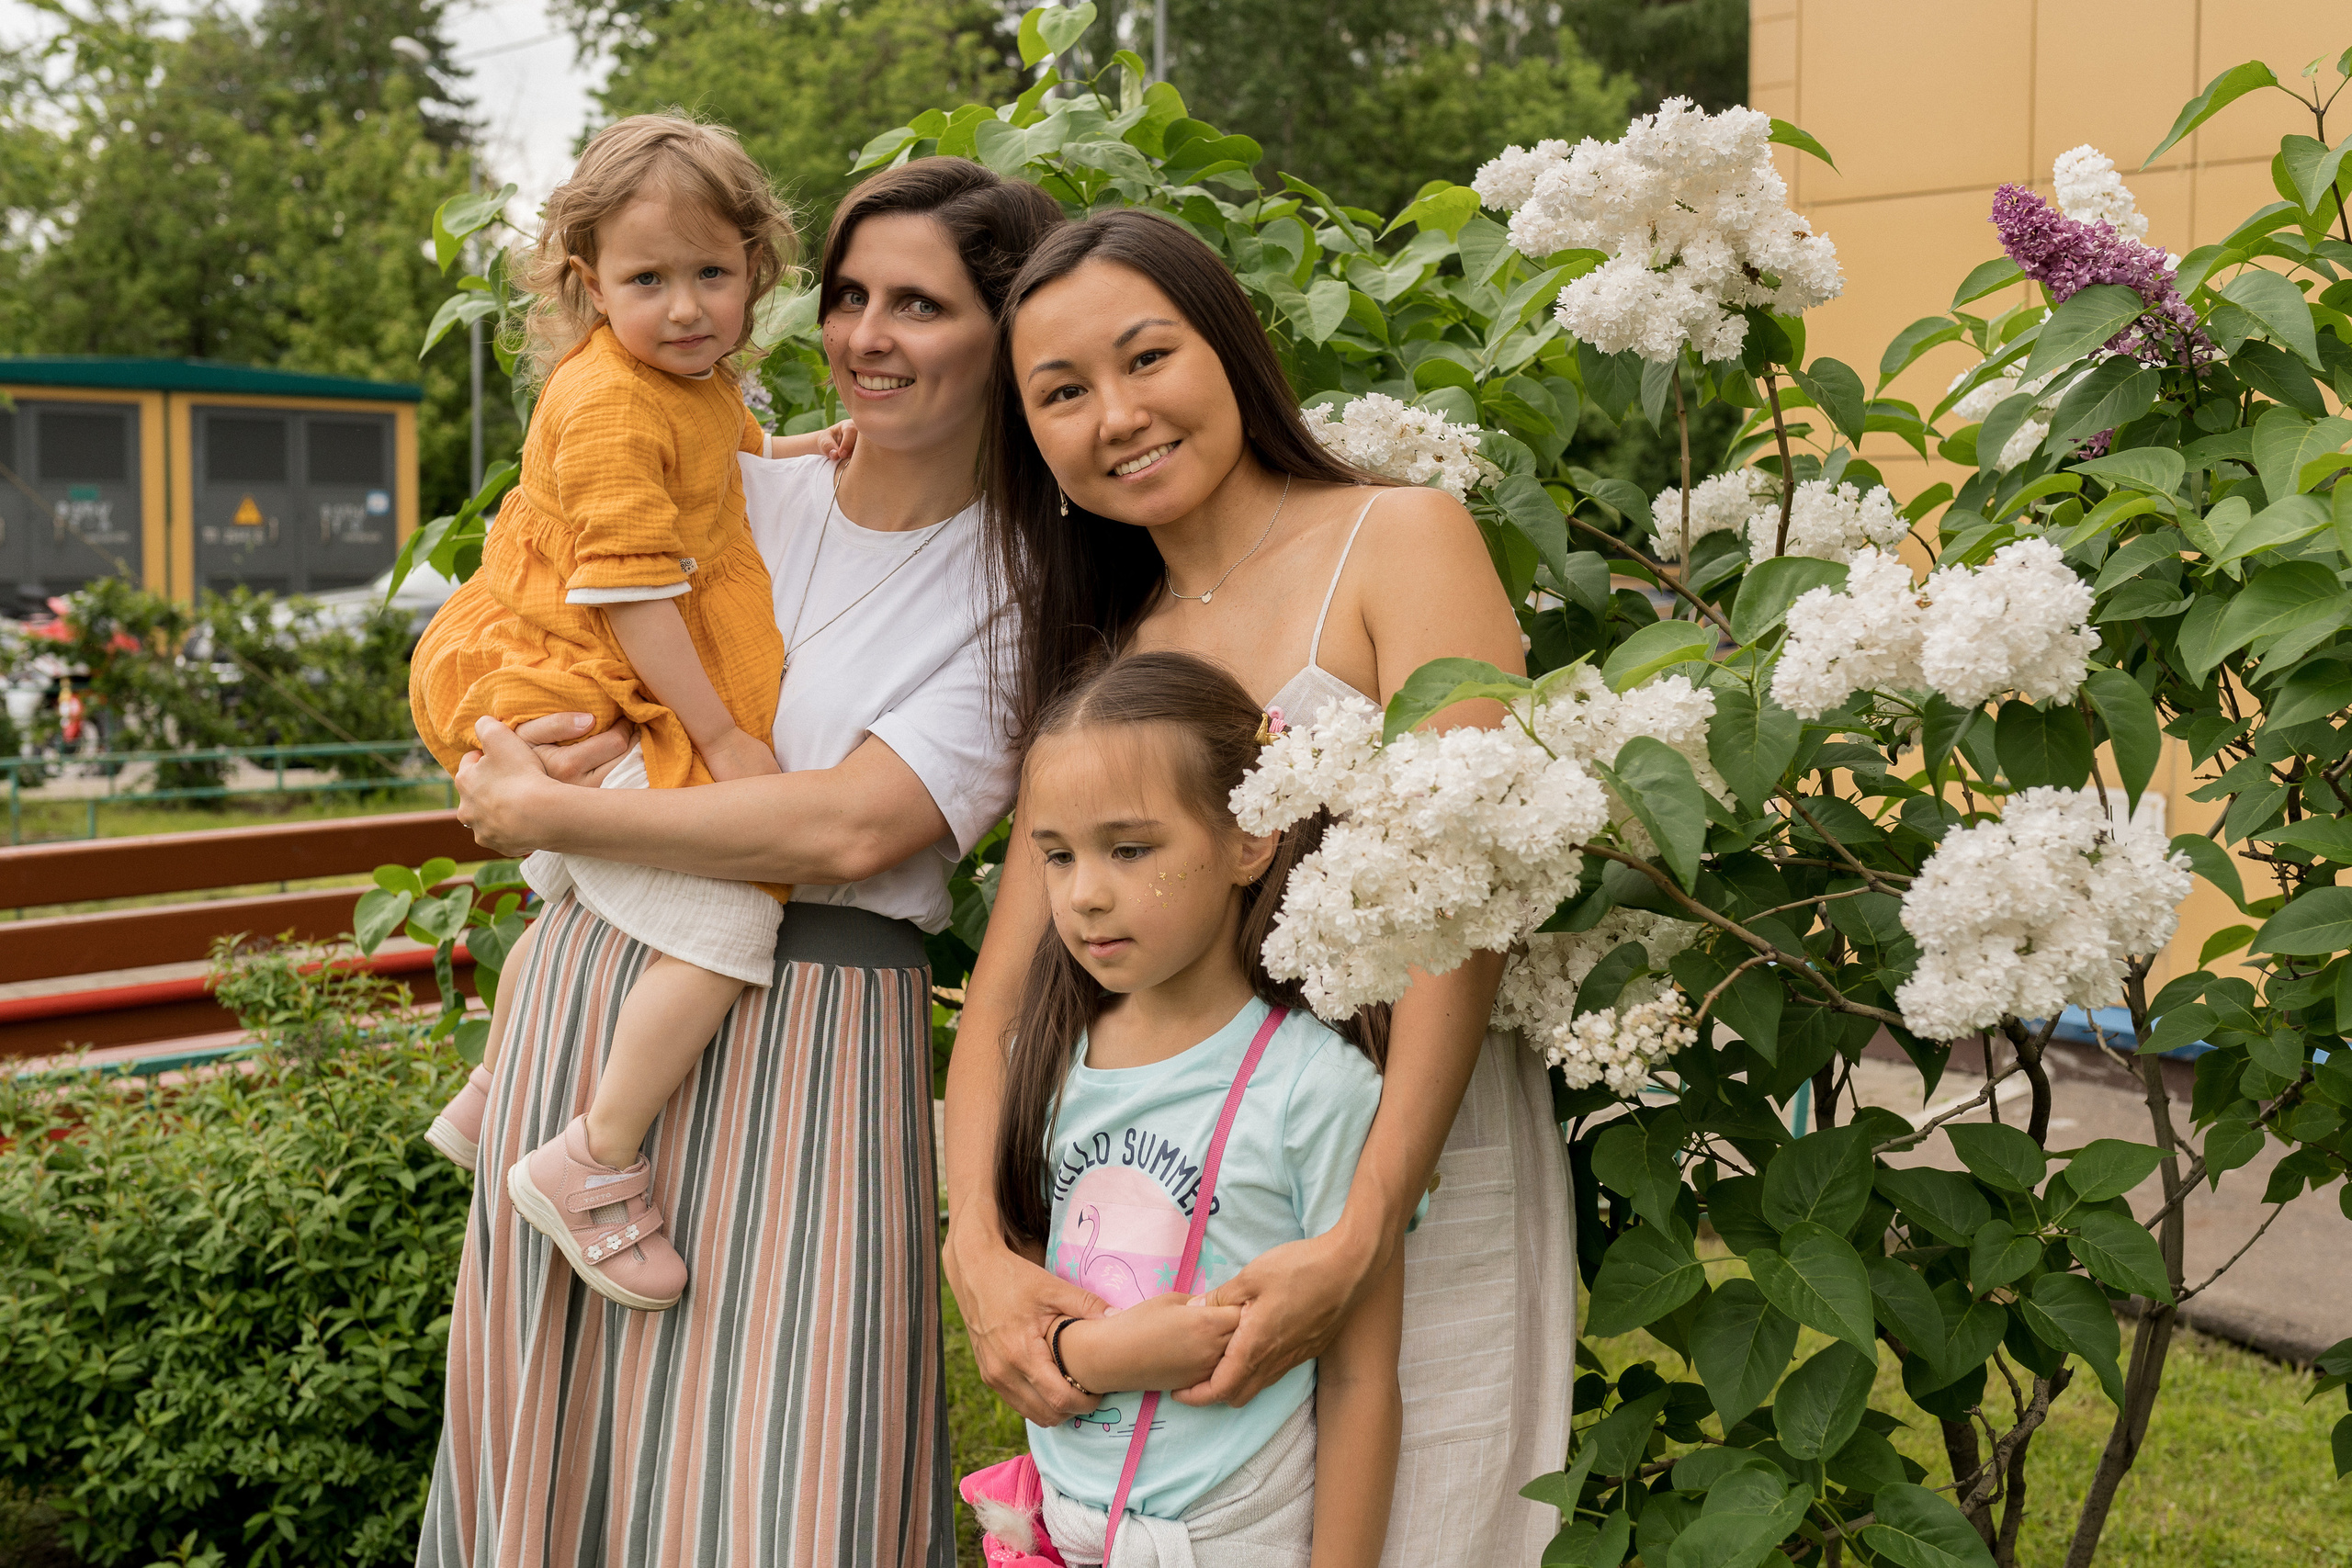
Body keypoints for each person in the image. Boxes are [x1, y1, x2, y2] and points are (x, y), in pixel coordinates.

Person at [414, 156, 1062, 1568]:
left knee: (785, 1471)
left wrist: (552, 813)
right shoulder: (738, 484)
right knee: (567, 1459)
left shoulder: (1023, 583)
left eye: (920, 305)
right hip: (596, 1012)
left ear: (1009, 334)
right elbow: (508, 625)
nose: (867, 337)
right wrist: (496, 752)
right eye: (849, 297)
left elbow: (849, 825)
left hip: (820, 1026)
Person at [944, 208, 1572, 1560]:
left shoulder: (1399, 539)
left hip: (1415, 1144)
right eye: (1061, 392)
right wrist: (980, 1256)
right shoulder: (1111, 651)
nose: (1116, 413)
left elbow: (1465, 914)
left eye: (1145, 356)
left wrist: (1361, 1229)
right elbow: (1008, 986)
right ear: (1035, 442)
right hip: (1183, 1191)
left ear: (1227, 348)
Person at [407, 113, 847, 1312]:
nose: (688, 305)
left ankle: (506, 1077)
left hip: (576, 671)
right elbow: (639, 593)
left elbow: (724, 466)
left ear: (757, 266)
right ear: (586, 278)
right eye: (648, 279)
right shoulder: (608, 404)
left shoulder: (688, 383)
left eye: (712, 272)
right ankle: (592, 1151)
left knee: (576, 869)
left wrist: (803, 447)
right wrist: (718, 737)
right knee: (727, 902)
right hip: (561, 674)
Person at [981, 649, 1402, 1565]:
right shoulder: (1052, 1061)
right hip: (1058, 1524)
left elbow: (1361, 1375)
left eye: (1130, 850)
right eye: (1057, 856)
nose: (1084, 892)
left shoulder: (1313, 1088)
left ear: (1251, 837)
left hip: (1227, 1535)